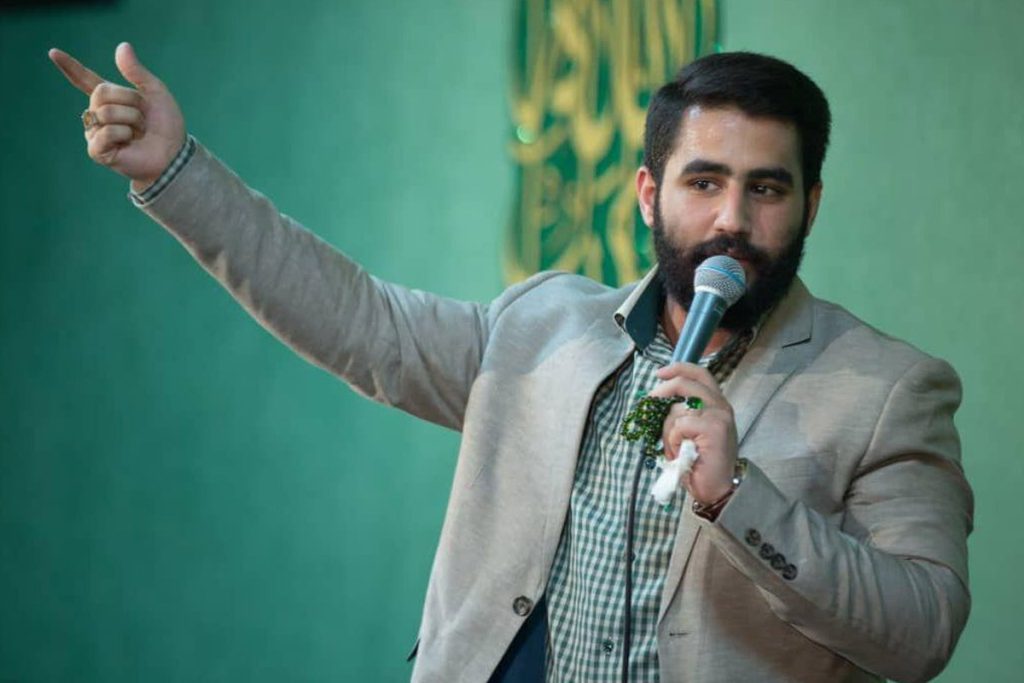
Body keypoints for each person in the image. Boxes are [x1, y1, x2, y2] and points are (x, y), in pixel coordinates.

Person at [50, 43, 972, 683]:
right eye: (704, 181)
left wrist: (740, 496)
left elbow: (922, 629)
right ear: (649, 193)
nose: (733, 218)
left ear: (811, 204)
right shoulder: (543, 327)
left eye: (766, 188)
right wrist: (176, 173)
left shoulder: (889, 388)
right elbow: (358, 320)